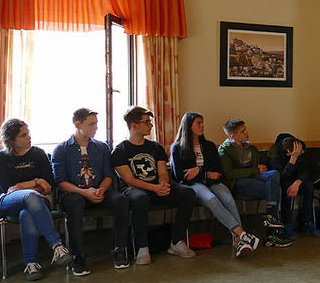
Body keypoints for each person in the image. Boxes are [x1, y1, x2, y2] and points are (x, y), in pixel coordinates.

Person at [111, 106, 197, 265]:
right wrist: (154, 188)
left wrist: (163, 185)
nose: (150, 125)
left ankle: (177, 241)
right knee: (140, 198)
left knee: (187, 193)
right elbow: (129, 179)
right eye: (146, 122)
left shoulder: (155, 147)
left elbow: (163, 171)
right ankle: (142, 247)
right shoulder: (120, 150)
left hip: (157, 187)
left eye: (150, 122)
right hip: (135, 189)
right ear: (134, 125)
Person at [0, 118, 72, 281]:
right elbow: (8, 187)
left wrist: (24, 186)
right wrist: (36, 182)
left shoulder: (38, 154)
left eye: (29, 134)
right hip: (9, 201)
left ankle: (31, 264)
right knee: (31, 196)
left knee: (26, 213)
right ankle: (57, 245)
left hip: (39, 201)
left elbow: (49, 184)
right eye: (23, 135)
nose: (29, 138)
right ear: (11, 139)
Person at [171, 112, 260, 258]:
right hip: (193, 186)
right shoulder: (178, 148)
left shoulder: (209, 145)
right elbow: (181, 176)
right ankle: (241, 235)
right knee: (211, 199)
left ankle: (238, 240)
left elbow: (217, 171)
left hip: (213, 182)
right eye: (198, 123)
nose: (202, 126)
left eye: (202, 122)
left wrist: (199, 170)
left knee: (228, 199)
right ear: (188, 126)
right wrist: (205, 173)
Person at [51, 108, 130, 273]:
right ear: (77, 124)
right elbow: (61, 182)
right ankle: (77, 256)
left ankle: (119, 249)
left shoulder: (101, 148)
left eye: (96, 124)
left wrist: (100, 189)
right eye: (91, 124)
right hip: (73, 193)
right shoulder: (62, 149)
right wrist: (85, 192)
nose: (95, 127)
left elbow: (109, 175)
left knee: (121, 200)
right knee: (75, 203)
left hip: (98, 191)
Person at [218, 119, 288, 242]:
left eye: (245, 129)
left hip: (253, 177)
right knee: (277, 189)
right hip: (238, 182)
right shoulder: (224, 151)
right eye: (242, 131)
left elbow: (255, 170)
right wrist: (255, 170)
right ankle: (271, 228)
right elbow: (229, 174)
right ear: (233, 136)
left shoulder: (252, 149)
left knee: (274, 174)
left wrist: (257, 170)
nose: (247, 133)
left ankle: (270, 216)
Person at [279, 135, 320, 239]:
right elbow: (283, 177)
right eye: (300, 151)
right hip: (283, 183)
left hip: (297, 182)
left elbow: (305, 170)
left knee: (308, 185)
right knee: (285, 189)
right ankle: (286, 224)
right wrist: (293, 158)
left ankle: (307, 222)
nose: (302, 152)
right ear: (289, 152)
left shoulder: (302, 153)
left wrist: (297, 182)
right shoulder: (276, 156)